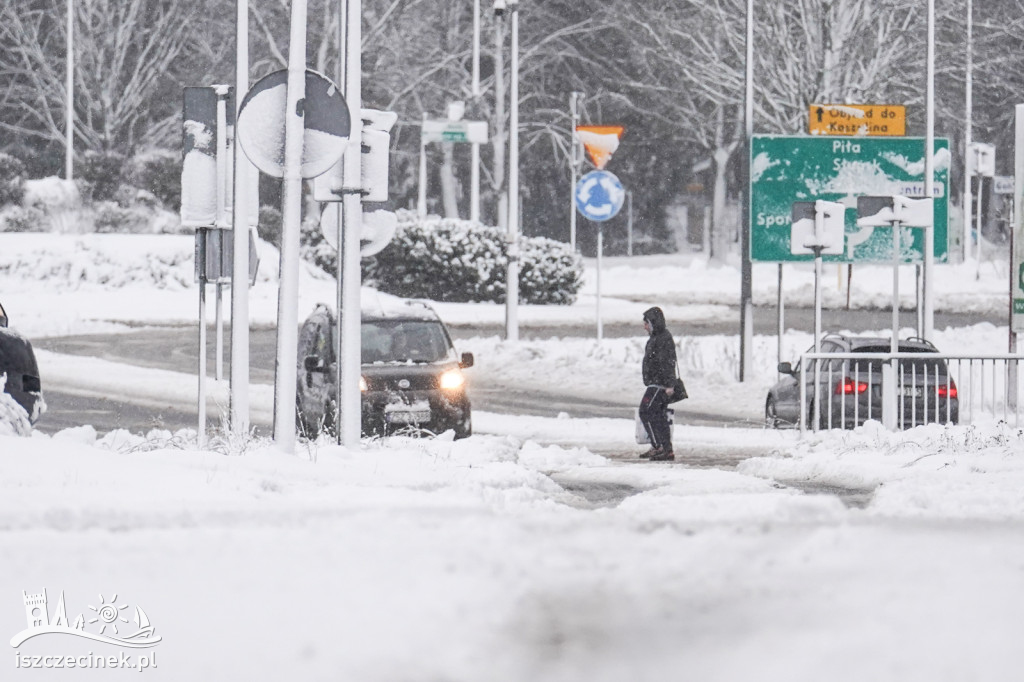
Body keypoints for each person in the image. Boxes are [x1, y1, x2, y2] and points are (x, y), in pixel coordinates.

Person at [638, 306, 677, 461]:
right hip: (656, 383)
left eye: (646, 323)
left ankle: (659, 446)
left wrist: (669, 384)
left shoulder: (662, 338)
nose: (644, 326)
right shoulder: (657, 337)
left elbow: (668, 362)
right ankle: (665, 448)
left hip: (659, 384)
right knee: (658, 415)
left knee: (646, 411)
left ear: (653, 323)